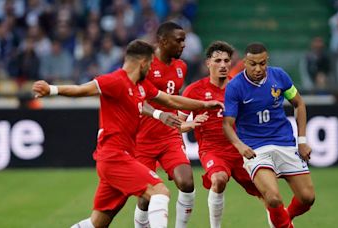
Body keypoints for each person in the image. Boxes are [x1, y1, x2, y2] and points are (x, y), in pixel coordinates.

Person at [32, 40, 223, 228]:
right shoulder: (115, 80)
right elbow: (82, 89)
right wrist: (51, 89)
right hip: (114, 156)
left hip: (119, 157)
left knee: (97, 223)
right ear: (142, 63)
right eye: (149, 65)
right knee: (160, 192)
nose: (150, 70)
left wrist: (204, 104)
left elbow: (171, 100)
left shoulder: (141, 86)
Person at [222, 43, 315, 228]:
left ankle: (284, 217)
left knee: (307, 198)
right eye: (253, 64)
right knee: (272, 198)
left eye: (262, 64)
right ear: (244, 63)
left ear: (267, 61)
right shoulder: (235, 86)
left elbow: (299, 104)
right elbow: (227, 124)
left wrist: (302, 141)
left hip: (284, 142)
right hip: (256, 148)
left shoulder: (279, 76)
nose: (258, 68)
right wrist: (240, 145)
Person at [180, 41, 261, 228]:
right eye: (218, 60)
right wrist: (190, 124)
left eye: (226, 60)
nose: (223, 65)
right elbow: (176, 125)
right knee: (218, 179)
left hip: (241, 149)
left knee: (268, 193)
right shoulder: (194, 90)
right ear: (208, 63)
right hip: (213, 150)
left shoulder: (240, 88)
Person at [133, 21, 194, 228]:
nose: (183, 45)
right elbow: (135, 99)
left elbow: (175, 99)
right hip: (142, 139)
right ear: (163, 41)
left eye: (184, 40)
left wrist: (182, 119)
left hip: (169, 137)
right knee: (146, 196)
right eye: (179, 40)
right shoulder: (144, 65)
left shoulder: (181, 67)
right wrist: (159, 114)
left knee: (186, 183)